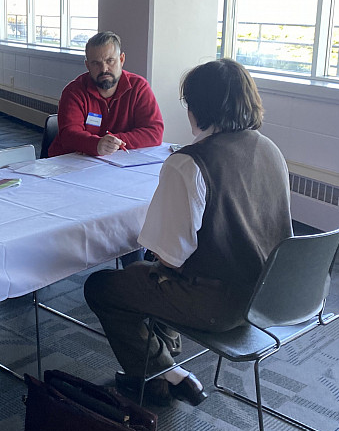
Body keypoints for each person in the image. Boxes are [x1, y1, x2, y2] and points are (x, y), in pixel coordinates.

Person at [83, 58, 292, 407]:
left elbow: (171, 258)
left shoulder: (189, 162)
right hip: (271, 296)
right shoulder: (270, 150)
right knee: (145, 277)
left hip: (221, 305)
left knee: (104, 286)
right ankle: (160, 373)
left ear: (198, 107)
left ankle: (162, 372)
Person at [48, 31, 164, 157]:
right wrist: (96, 144)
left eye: (110, 61)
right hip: (70, 165)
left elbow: (154, 132)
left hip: (118, 163)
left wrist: (113, 141)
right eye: (96, 63)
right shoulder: (74, 92)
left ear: (121, 59)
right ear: (87, 65)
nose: (104, 69)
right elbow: (69, 136)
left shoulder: (139, 88)